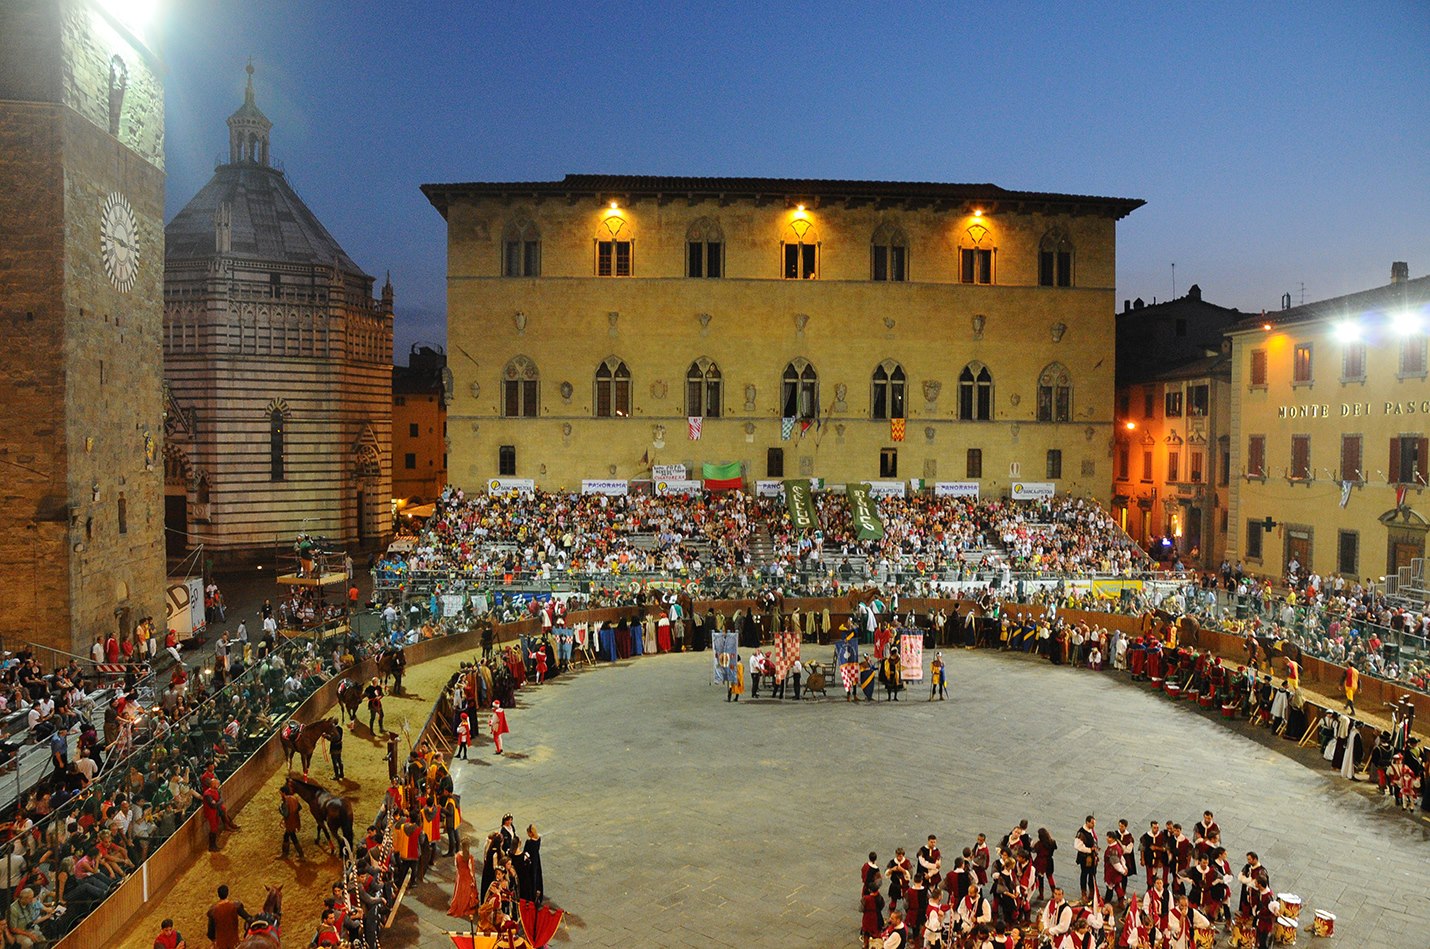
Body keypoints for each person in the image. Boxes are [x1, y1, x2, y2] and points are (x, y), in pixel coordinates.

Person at [206, 884, 252, 949]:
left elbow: (210, 933)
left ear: (218, 894)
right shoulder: (235, 906)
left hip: (220, 946)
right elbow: (248, 918)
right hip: (235, 944)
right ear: (227, 893)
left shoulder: (213, 911)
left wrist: (214, 941)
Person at [447, 839, 478, 919]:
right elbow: (471, 870)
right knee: (467, 893)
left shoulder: (457, 855)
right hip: (467, 876)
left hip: (460, 875)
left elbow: (456, 865)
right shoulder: (470, 857)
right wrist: (473, 880)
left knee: (459, 892)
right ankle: (466, 906)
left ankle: (458, 905)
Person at [1074, 816, 1099, 903]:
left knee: (1092, 874)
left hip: (1092, 857)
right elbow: (1077, 846)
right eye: (1092, 823)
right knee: (1084, 874)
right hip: (1085, 857)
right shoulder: (1081, 833)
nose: (1093, 825)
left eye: (1094, 823)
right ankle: (1084, 893)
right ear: (1087, 822)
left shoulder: (1091, 830)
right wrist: (1089, 850)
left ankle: (1092, 891)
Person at [279, 782, 304, 860]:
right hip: (295, 820)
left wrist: (280, 809)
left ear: (283, 793)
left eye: (280, 793)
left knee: (292, 837)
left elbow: (285, 814)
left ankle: (287, 854)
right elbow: (299, 808)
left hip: (289, 822)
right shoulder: (294, 798)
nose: (280, 794)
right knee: (287, 836)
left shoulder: (285, 801)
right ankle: (287, 854)